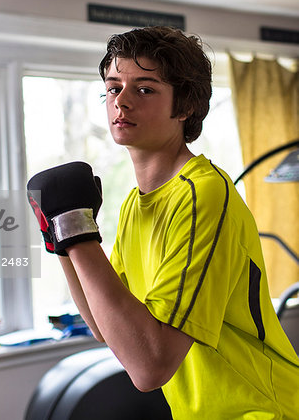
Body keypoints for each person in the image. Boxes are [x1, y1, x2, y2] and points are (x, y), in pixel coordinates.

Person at [27, 26, 299, 419]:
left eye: (144, 89)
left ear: (185, 106)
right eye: (113, 86)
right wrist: (61, 238)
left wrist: (78, 233)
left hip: (262, 410)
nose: (121, 100)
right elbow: (109, 329)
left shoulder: (202, 194)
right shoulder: (136, 207)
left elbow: (150, 366)